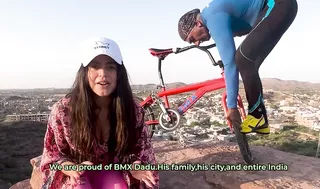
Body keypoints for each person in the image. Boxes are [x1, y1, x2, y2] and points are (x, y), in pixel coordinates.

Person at [40, 37, 159, 189]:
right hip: (75, 173)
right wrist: (68, 166)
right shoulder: (64, 111)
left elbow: (141, 150)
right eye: (95, 67)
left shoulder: (133, 110)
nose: (103, 73)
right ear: (84, 72)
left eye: (110, 67)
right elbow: (52, 155)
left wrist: (136, 165)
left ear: (119, 74)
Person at [177, 0, 298, 134]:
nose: (197, 44)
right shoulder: (212, 16)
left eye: (192, 39)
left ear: (197, 24)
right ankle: (260, 119)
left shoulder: (212, 17)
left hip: (278, 4)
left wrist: (232, 107)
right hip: (279, 7)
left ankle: (257, 117)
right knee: (248, 62)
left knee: (243, 59)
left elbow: (231, 64)